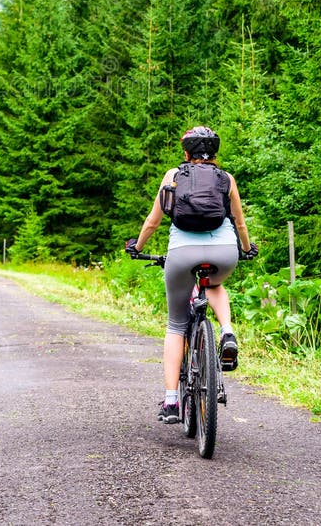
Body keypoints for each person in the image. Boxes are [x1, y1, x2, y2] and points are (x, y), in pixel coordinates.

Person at [126, 126, 257, 425]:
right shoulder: (226, 179)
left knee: (176, 324)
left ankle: (172, 401)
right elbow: (239, 224)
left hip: (182, 253)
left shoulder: (173, 175)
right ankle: (226, 331)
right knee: (214, 283)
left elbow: (152, 221)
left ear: (186, 153)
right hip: (224, 252)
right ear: (215, 154)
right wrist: (247, 250)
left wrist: (137, 246)